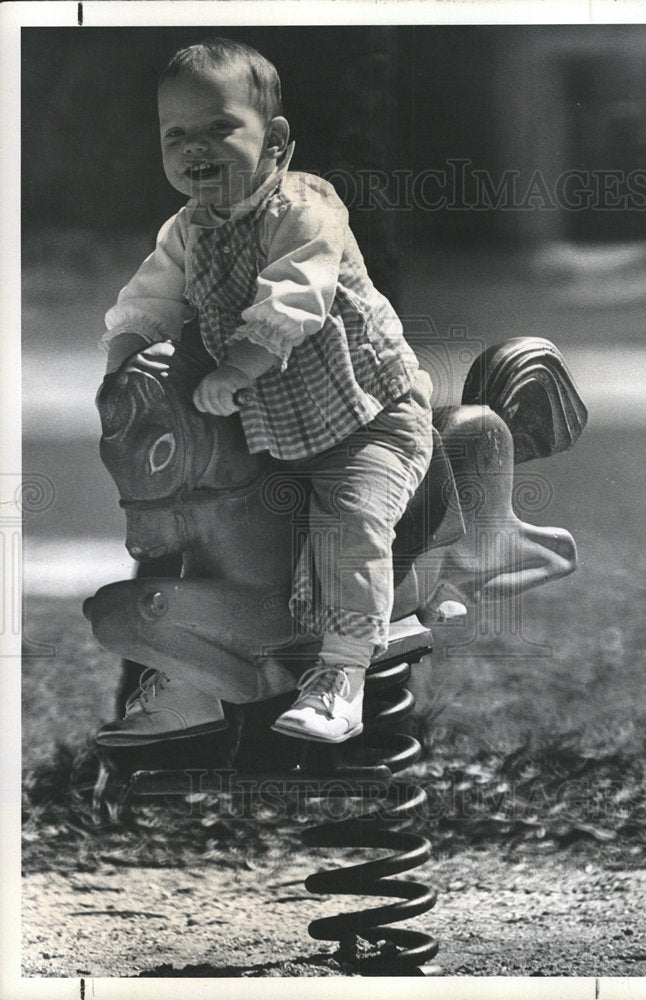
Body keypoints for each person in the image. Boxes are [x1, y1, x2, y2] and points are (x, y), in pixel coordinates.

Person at [95, 38, 433, 745]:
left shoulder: (306, 207)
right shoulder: (187, 231)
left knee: (349, 519)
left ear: (273, 139)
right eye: (177, 134)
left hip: (369, 418)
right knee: (212, 528)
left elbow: (295, 297)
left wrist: (238, 367)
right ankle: (194, 678)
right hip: (277, 429)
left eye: (220, 127)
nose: (197, 147)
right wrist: (126, 369)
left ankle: (341, 675)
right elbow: (148, 303)